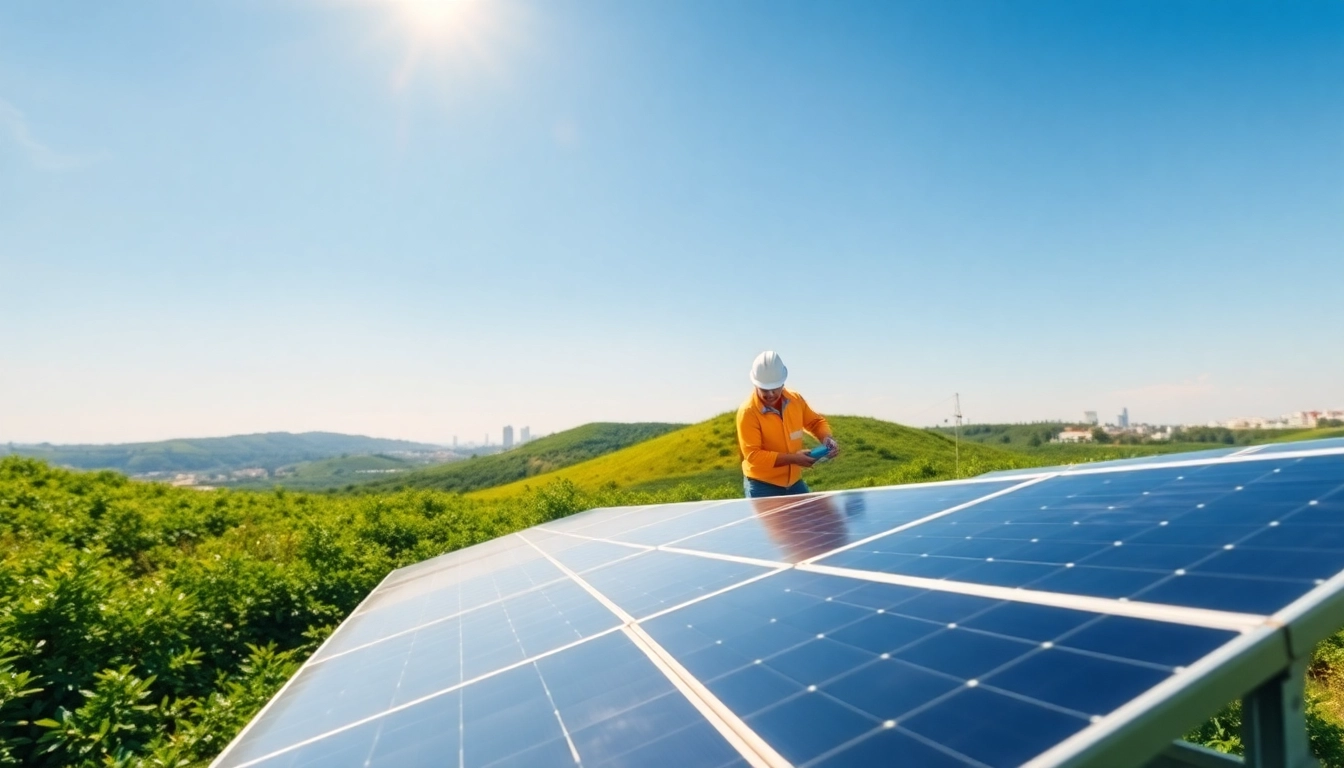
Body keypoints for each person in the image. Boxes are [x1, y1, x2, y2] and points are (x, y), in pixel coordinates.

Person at [735, 351, 839, 498]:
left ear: (782, 383)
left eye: (775, 388)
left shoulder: (795, 400)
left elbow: (815, 422)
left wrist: (826, 438)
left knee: (811, 520)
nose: (770, 394)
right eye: (764, 389)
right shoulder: (748, 412)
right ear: (755, 384)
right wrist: (794, 459)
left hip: (795, 483)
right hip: (762, 486)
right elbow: (754, 456)